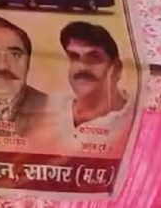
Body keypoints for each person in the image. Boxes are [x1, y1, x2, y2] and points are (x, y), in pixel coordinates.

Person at [57, 21, 133, 151]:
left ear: (116, 68)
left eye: (94, 58)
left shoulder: (133, 119)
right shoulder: (52, 109)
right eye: (74, 57)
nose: (82, 67)